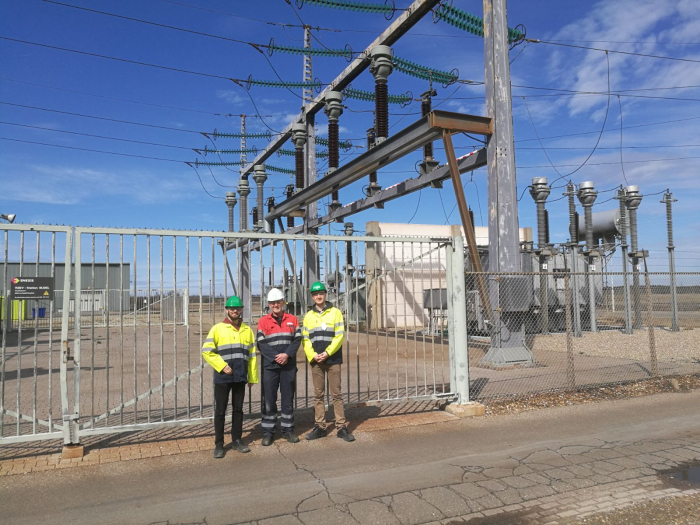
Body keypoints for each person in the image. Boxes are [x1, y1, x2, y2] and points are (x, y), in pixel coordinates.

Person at [201, 295, 258, 458]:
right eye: (232, 308)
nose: (235, 310)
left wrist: (252, 377)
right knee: (220, 411)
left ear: (241, 310)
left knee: (238, 410)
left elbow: (252, 355)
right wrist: (222, 366)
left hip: (240, 376)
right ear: (226, 310)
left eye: (238, 308)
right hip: (223, 377)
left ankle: (237, 440)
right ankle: (219, 444)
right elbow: (207, 351)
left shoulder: (247, 330)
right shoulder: (217, 329)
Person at [302, 281, 355, 442]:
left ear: (325, 294)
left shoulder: (335, 312)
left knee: (336, 394)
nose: (318, 296)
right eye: (316, 294)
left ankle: (341, 427)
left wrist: (327, 353)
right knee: (318, 395)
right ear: (312, 296)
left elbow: (339, 336)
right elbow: (305, 339)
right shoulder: (308, 316)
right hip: (316, 361)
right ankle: (320, 426)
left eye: (321, 293)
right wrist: (313, 355)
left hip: (333, 359)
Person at [256, 288, 302, 446]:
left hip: (288, 366)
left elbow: (297, 340)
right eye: (272, 303)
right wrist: (276, 357)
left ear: (283, 302)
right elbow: (261, 343)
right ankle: (268, 432)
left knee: (288, 399)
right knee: (269, 400)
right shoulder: (263, 321)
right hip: (270, 367)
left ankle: (288, 431)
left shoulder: (293, 320)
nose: (276, 305)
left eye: (278, 302)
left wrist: (286, 355)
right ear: (268, 304)